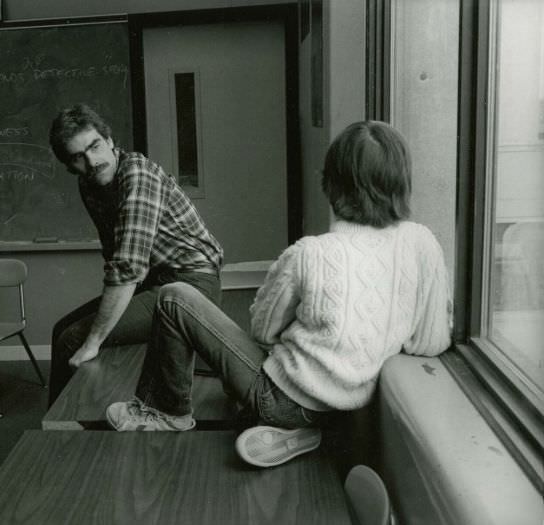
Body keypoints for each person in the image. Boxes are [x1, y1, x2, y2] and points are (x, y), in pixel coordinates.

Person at [106, 120, 453, 469]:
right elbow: (430, 342)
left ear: (331, 184)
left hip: (282, 399)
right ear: (402, 180)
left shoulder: (311, 252)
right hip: (352, 406)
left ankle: (165, 412)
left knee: (174, 297)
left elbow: (262, 331)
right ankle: (305, 430)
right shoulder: (423, 243)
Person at [47, 104, 224, 406]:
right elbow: (114, 252)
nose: (91, 161)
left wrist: (94, 341)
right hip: (155, 281)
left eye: (95, 146)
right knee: (60, 329)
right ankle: (64, 422)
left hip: (191, 288)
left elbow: (128, 267)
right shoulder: (89, 183)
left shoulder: (138, 177)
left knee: (75, 339)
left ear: (110, 140)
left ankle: (70, 431)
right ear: (69, 165)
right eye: (78, 156)